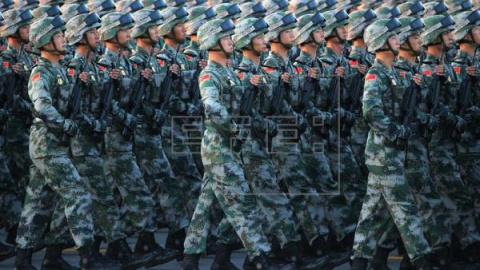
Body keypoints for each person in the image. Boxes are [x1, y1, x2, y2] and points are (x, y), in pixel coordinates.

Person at [350, 17, 433, 270]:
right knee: (405, 209)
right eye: (394, 37)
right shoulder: (375, 74)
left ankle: (359, 260)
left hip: (394, 154)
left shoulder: (398, 72)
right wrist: (398, 132)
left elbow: (411, 107)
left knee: (373, 212)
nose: (399, 41)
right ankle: (422, 260)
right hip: (383, 154)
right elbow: (371, 112)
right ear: (381, 42)